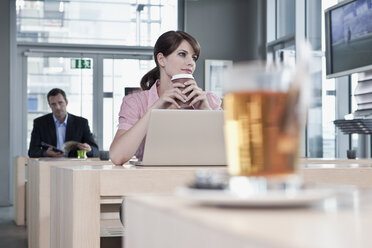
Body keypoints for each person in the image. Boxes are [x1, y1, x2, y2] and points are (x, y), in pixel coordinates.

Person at [110, 30, 222, 165]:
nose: (191, 63)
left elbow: (232, 154)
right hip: (149, 181)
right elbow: (117, 157)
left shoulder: (208, 100)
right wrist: (154, 109)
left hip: (197, 181)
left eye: (194, 57)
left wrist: (206, 110)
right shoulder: (136, 102)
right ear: (161, 59)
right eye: (182, 54)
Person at [28, 88, 99, 158]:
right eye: (53, 104)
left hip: (74, 166)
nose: (58, 107)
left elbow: (96, 151)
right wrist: (46, 153)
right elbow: (32, 151)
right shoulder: (40, 123)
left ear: (66, 102)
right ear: (49, 105)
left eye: (60, 103)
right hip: (49, 165)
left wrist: (89, 149)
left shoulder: (81, 123)